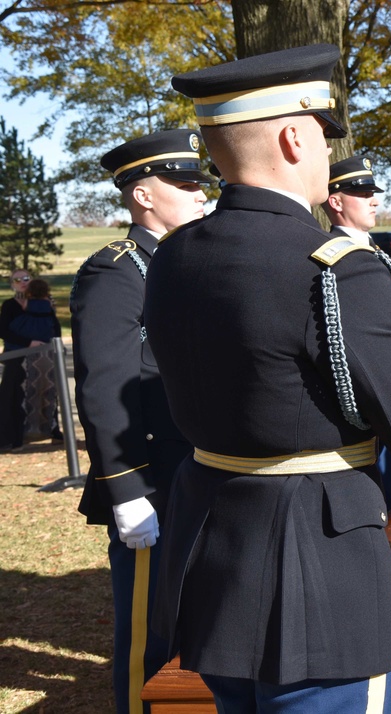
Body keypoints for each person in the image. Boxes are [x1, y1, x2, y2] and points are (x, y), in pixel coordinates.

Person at [146, 43, 391, 713]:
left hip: (208, 561)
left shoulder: (178, 255)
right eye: (327, 138)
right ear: (295, 137)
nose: (330, 156)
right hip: (317, 586)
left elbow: (279, 361)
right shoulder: (335, 266)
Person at [72, 128, 212, 714]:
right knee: (148, 637)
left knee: (198, 626)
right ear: (144, 196)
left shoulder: (192, 265)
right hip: (153, 483)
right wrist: (126, 491)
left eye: (202, 185)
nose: (202, 197)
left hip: (205, 472)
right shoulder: (117, 273)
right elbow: (106, 388)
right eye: (184, 185)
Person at [321, 154, 391, 510]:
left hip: (388, 394)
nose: (375, 199)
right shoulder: (338, 258)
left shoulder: (368, 252)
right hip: (360, 405)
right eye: (362, 192)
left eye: (373, 191)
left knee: (388, 497)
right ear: (335, 201)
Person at [10, 278, 61, 442]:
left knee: (29, 389)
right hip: (46, 347)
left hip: (30, 350)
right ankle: (51, 428)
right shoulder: (48, 304)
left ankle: (27, 428)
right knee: (50, 389)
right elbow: (55, 324)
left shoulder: (27, 304)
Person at [0, 269, 34, 451]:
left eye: (26, 278)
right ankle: (9, 438)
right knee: (10, 396)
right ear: (12, 284)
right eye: (17, 279)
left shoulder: (42, 302)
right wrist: (28, 342)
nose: (22, 282)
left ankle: (49, 431)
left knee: (45, 392)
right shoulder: (9, 305)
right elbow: (3, 331)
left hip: (41, 356)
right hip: (15, 356)